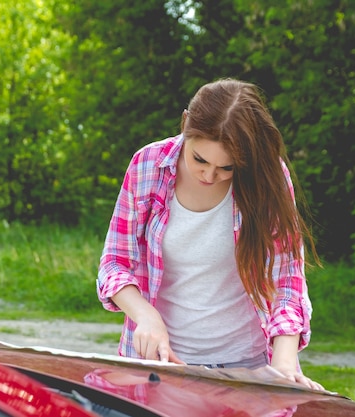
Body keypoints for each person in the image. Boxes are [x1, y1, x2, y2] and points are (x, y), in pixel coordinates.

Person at [97, 78, 324, 391]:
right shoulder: (147, 165)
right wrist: (145, 315)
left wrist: (282, 365)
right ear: (186, 124)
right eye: (199, 159)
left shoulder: (267, 175)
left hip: (248, 367)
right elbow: (114, 263)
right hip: (161, 365)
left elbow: (287, 279)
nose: (209, 175)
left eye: (227, 168)